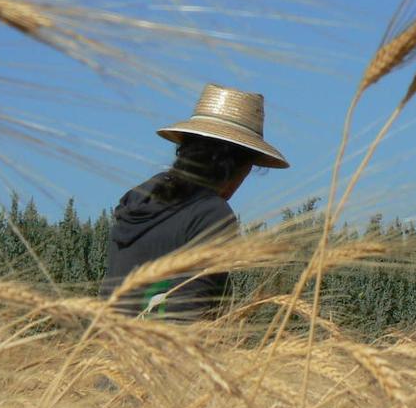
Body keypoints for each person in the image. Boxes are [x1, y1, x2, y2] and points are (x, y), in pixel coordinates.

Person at [100, 83, 289, 318]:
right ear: (237, 168)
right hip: (159, 352)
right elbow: (189, 315)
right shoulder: (210, 215)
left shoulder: (137, 201)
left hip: (102, 346)